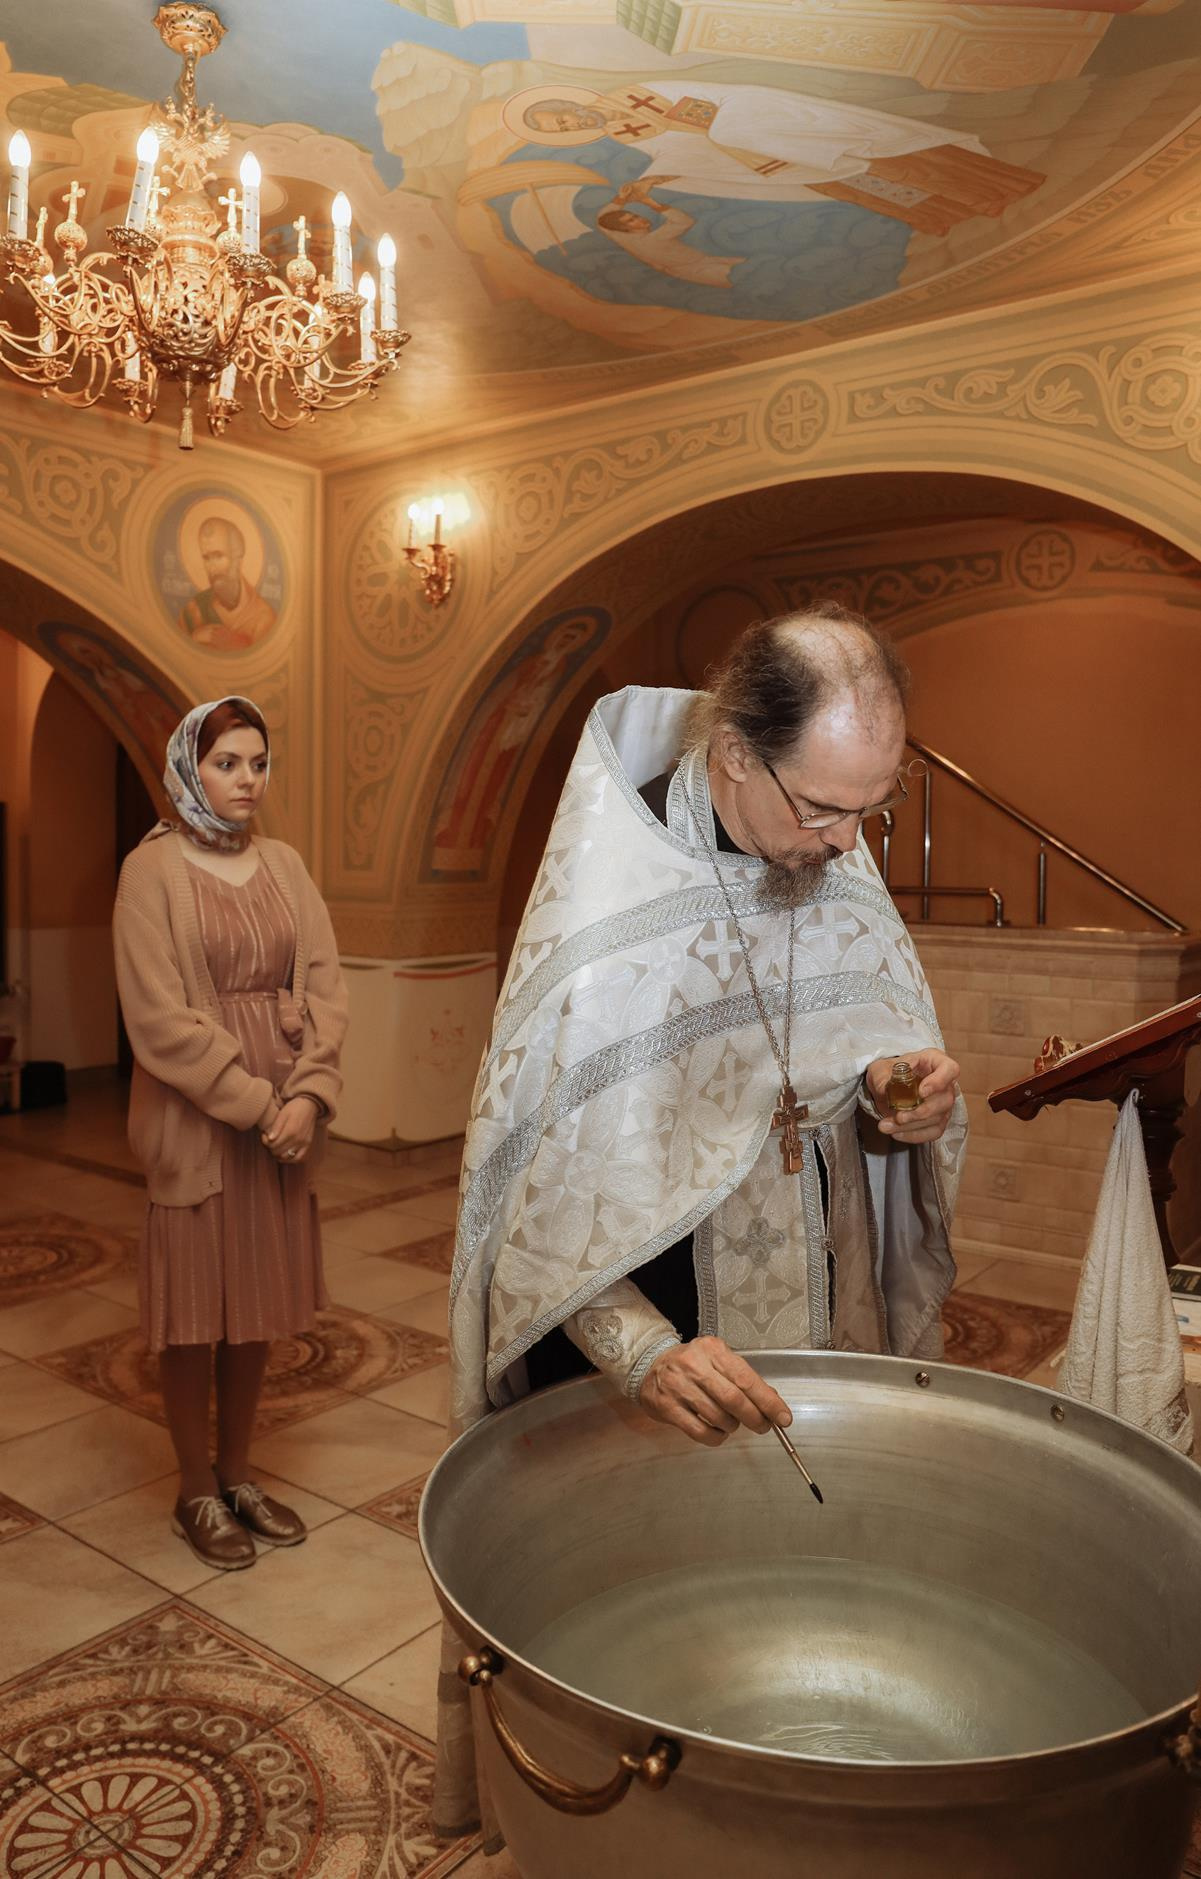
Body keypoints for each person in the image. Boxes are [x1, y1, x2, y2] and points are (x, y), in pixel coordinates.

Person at [436, 603, 967, 1836]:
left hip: (812, 1295)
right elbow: (536, 1194)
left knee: (799, 1578)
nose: (845, 844)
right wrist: (636, 1349)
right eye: (824, 809)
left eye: (869, 810)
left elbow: (858, 1062)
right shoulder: (606, 908)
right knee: (642, 1619)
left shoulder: (827, 846)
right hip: (657, 1324)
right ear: (734, 752)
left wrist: (898, 1098)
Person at [112, 696, 348, 1569]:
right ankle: (193, 1490)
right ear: (190, 768)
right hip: (201, 1124)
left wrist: (310, 1096)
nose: (247, 780)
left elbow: (326, 986)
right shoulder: (153, 871)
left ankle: (240, 1474)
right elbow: (159, 1019)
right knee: (192, 1318)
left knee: (252, 1311)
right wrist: (259, 1104)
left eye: (258, 763)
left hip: (284, 1125)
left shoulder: (285, 864)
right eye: (228, 764)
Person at [177, 518, 276, 650]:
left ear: (238, 557)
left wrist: (240, 646)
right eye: (206, 558)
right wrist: (194, 638)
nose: (212, 568)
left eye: (218, 556)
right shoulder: (193, 610)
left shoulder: (263, 617)